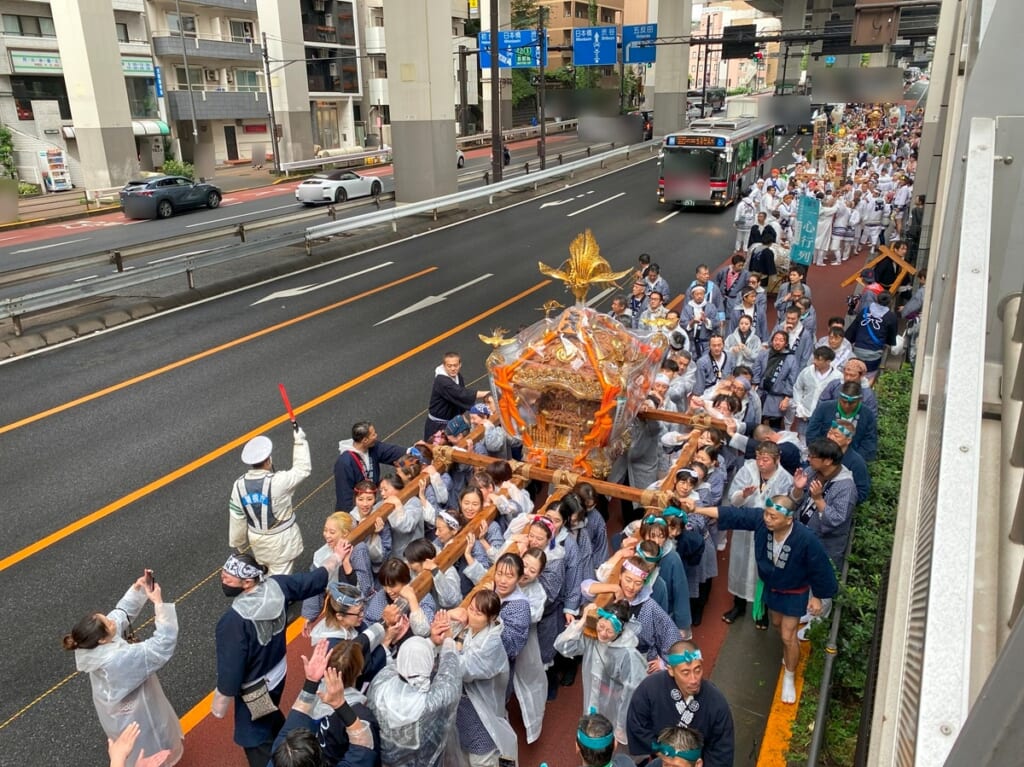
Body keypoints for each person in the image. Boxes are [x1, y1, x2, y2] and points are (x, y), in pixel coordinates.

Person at [683, 497, 838, 704]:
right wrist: (698, 508)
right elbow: (734, 515)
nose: (767, 519)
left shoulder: (806, 539)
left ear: (789, 519)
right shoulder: (762, 522)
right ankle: (788, 653)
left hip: (794, 590)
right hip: (772, 587)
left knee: (787, 634)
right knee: (776, 623)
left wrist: (817, 596)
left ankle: (789, 676)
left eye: (773, 516)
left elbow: (820, 569)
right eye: (766, 514)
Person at [212, 550, 346, 767]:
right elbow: (313, 581)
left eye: (229, 575)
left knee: (255, 737)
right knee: (271, 714)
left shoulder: (233, 621)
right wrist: (336, 557)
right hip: (278, 671)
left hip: (255, 689)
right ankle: (282, 732)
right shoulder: (277, 586)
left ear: (247, 583)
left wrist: (219, 705)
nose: (223, 576)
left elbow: (230, 675)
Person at [64, 573, 183, 767]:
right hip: (137, 709)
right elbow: (162, 644)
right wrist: (159, 604)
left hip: (115, 709)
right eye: (108, 622)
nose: (112, 621)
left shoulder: (90, 646)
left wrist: (137, 589)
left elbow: (119, 615)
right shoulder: (117, 660)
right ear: (102, 639)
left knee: (128, 744)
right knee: (150, 738)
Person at [267, 638, 379, 767]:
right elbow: (364, 745)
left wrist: (311, 682)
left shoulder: (278, 761)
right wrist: (340, 705)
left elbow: (289, 727)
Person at [366, 618, 461, 767]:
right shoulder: (435, 701)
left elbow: (405, 660)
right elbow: (450, 673)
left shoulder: (380, 683)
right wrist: (448, 640)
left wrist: (430, 642)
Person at [625, 640, 734, 766]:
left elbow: (721, 750)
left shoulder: (716, 702)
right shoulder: (650, 688)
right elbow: (637, 724)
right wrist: (661, 750)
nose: (694, 679)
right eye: (685, 673)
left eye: (697, 670)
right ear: (671, 670)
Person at [554, 600, 647, 745]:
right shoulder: (592, 639)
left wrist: (621, 726)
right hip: (594, 695)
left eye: (609, 631)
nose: (603, 634)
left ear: (620, 631)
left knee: (608, 740)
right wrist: (584, 620)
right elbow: (563, 647)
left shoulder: (628, 654)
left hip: (614, 702)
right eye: (601, 626)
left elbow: (632, 691)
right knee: (590, 733)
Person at [722, 442, 793, 628]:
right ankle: (738, 605)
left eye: (766, 459)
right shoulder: (747, 471)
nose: (761, 463)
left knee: (764, 569)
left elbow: (786, 504)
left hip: (769, 529)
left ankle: (762, 610)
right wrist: (743, 495)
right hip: (745, 527)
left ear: (777, 460)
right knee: (740, 564)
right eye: (759, 458)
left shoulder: (785, 478)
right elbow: (733, 498)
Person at [444, 591, 518, 767]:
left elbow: (464, 669)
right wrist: (448, 616)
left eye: (478, 613)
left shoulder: (491, 643)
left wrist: (449, 643)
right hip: (464, 706)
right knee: (463, 750)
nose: (471, 614)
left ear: (491, 618)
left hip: (482, 711)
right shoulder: (469, 629)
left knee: (483, 758)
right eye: (470, 608)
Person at [230, 429, 311, 575]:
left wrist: (239, 543)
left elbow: (237, 516)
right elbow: (302, 469)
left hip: (257, 538)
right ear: (268, 460)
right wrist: (300, 441)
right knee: (280, 579)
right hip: (281, 540)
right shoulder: (278, 481)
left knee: (265, 572)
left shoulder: (239, 484)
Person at [334, 422, 405, 512]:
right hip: (356, 510)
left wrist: (411, 451)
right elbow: (344, 496)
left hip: (369, 503)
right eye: (373, 434)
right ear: (365, 440)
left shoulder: (372, 447)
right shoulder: (344, 463)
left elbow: (390, 451)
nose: (376, 436)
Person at [423, 352, 490, 441]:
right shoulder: (441, 381)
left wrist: (462, 416)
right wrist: (487, 394)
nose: (453, 369)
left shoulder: (458, 377)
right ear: (444, 366)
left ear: (460, 365)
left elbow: (459, 400)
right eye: (449, 366)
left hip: (453, 420)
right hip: (438, 424)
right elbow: (461, 394)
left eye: (455, 365)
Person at [806, 380, 878, 461]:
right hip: (822, 457)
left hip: (851, 460)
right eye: (844, 402)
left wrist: (854, 460)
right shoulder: (824, 408)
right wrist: (822, 455)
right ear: (839, 397)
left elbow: (869, 443)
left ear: (860, 400)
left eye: (852, 403)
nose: (847, 406)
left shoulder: (868, 415)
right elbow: (811, 434)